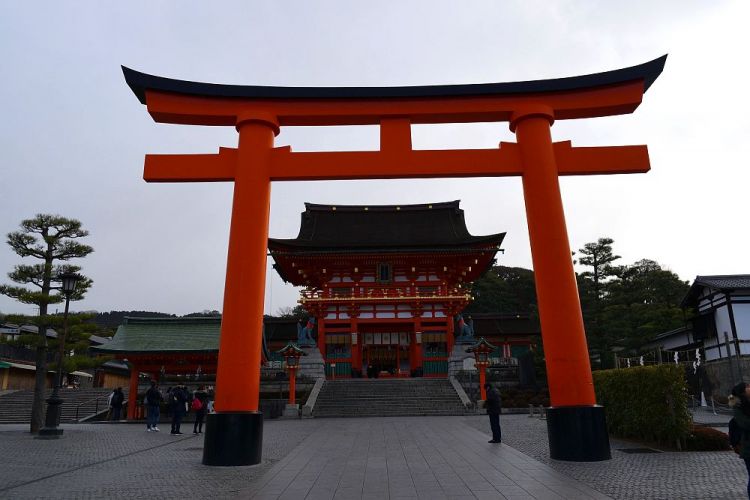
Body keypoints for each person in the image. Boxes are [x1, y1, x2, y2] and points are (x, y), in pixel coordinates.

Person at [730, 382, 750, 498]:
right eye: (747, 387)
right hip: (748, 447)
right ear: (743, 391)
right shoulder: (738, 406)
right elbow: (744, 423)